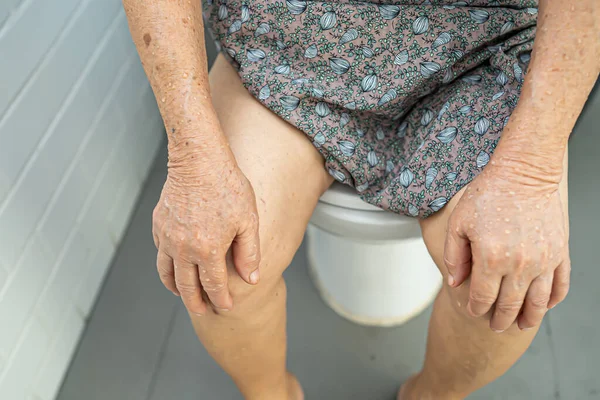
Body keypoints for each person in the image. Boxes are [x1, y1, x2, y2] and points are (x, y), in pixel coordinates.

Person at [123, 0, 598, 398]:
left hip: (477, 46)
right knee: (223, 264)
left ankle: (430, 397)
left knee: (504, 282)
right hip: (285, 45)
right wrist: (193, 158)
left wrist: (527, 172)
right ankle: (272, 395)